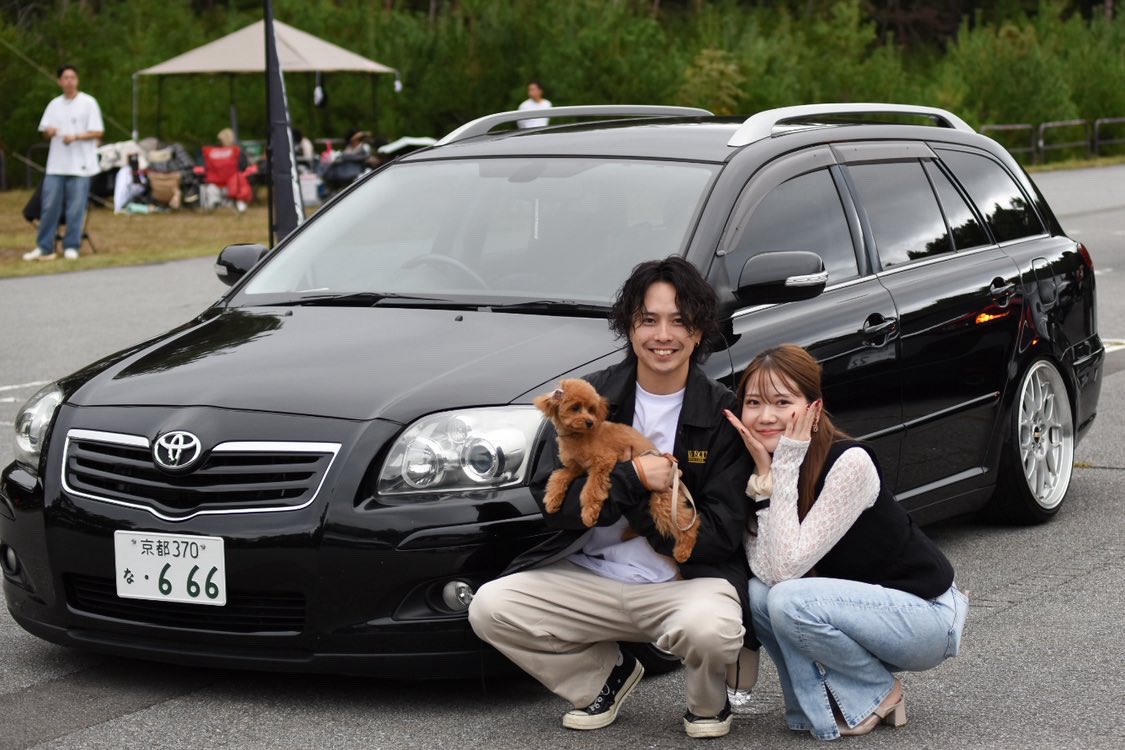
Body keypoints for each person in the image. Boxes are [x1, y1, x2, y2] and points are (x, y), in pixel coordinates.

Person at [469, 257, 754, 739]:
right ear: (629, 327)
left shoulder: (721, 411)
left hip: (680, 583)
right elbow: (552, 507)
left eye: (679, 321)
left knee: (713, 628)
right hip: (591, 576)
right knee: (491, 607)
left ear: (700, 331)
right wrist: (635, 477)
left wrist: (642, 500)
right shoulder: (589, 396)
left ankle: (708, 703)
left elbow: (721, 535)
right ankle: (604, 677)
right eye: (649, 320)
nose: (663, 335)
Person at [722, 344, 969, 741]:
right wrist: (767, 483)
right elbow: (766, 571)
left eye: (782, 402)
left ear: (814, 410)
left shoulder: (850, 463)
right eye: (753, 402)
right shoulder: (758, 469)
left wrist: (783, 464)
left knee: (787, 598)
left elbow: (786, 571)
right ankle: (822, 703)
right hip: (856, 614)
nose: (765, 416)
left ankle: (877, 692)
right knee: (759, 594)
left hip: (925, 617)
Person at [24, 65, 103, 262]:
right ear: (59, 81)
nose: (69, 81)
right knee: (49, 206)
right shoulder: (54, 105)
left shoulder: (88, 103)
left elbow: (98, 132)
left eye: (72, 77)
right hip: (56, 166)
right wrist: (49, 132)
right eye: (65, 78)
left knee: (75, 208)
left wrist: (76, 137)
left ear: (77, 80)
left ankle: (71, 245)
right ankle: (45, 247)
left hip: (81, 166)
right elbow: (44, 130)